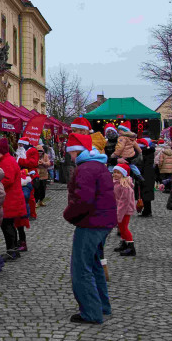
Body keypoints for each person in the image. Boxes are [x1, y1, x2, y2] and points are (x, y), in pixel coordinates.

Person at [63, 133, 116, 324]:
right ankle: (101, 306)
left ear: (76, 151)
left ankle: (91, 312)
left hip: (91, 223)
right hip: (103, 221)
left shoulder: (85, 169)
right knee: (94, 265)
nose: (69, 156)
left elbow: (83, 200)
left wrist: (69, 214)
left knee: (81, 268)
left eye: (70, 152)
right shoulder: (98, 165)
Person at [0, 139, 28, 260]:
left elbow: (8, 179)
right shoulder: (7, 160)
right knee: (9, 224)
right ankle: (13, 249)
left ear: (1, 151)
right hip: (12, 198)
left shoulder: (7, 161)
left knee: (7, 224)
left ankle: (12, 251)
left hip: (10, 199)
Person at [111, 164, 137, 257]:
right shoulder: (116, 183)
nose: (115, 174)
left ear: (123, 174)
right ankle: (124, 243)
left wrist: (119, 214)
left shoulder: (124, 186)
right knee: (121, 227)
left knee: (124, 228)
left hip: (124, 210)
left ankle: (131, 246)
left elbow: (124, 201)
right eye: (114, 172)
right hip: (119, 209)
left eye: (118, 172)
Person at [137, 138, 156, 217]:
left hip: (145, 175)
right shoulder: (150, 153)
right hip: (149, 175)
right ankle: (147, 210)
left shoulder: (144, 154)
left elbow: (141, 165)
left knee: (145, 193)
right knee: (147, 193)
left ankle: (147, 211)